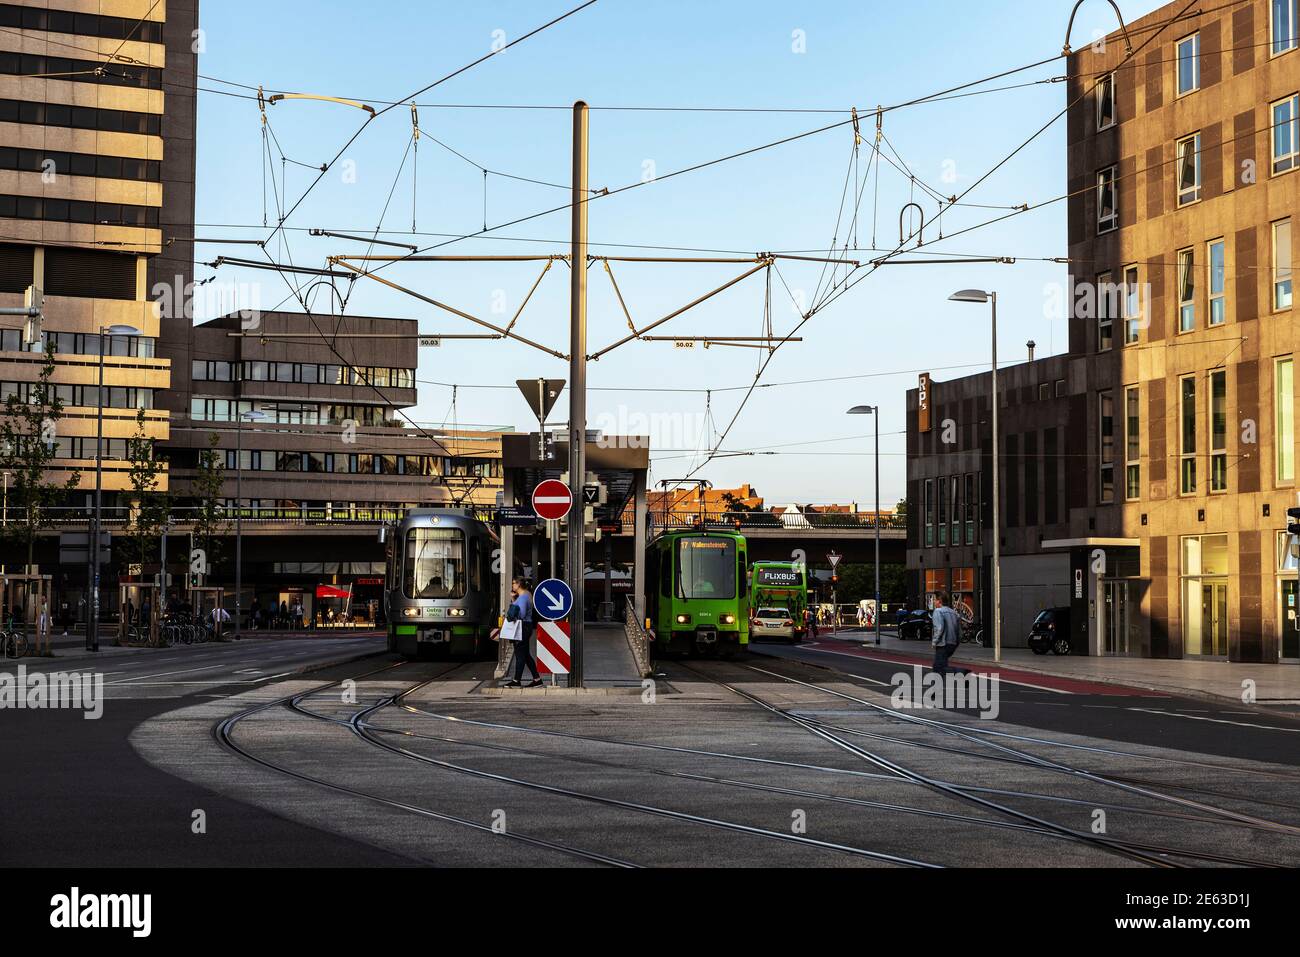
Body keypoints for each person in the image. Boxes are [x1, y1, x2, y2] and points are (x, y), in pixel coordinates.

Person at [502, 578, 542, 689]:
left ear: (519, 585)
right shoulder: (525, 595)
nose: (512, 585)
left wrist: (512, 616)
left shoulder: (524, 597)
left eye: (513, 583)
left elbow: (522, 614)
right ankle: (537, 680)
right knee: (526, 655)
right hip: (525, 626)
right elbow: (518, 607)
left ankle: (516, 681)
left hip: (522, 627)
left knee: (520, 655)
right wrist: (513, 598)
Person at [931, 591, 970, 677]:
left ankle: (961, 672)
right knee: (939, 667)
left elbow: (939, 628)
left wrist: (934, 642)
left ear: (939, 601)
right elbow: (960, 633)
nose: (934, 602)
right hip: (952, 645)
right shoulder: (954, 613)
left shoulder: (938, 611)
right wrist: (956, 644)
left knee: (939, 668)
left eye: (935, 600)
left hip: (943, 644)